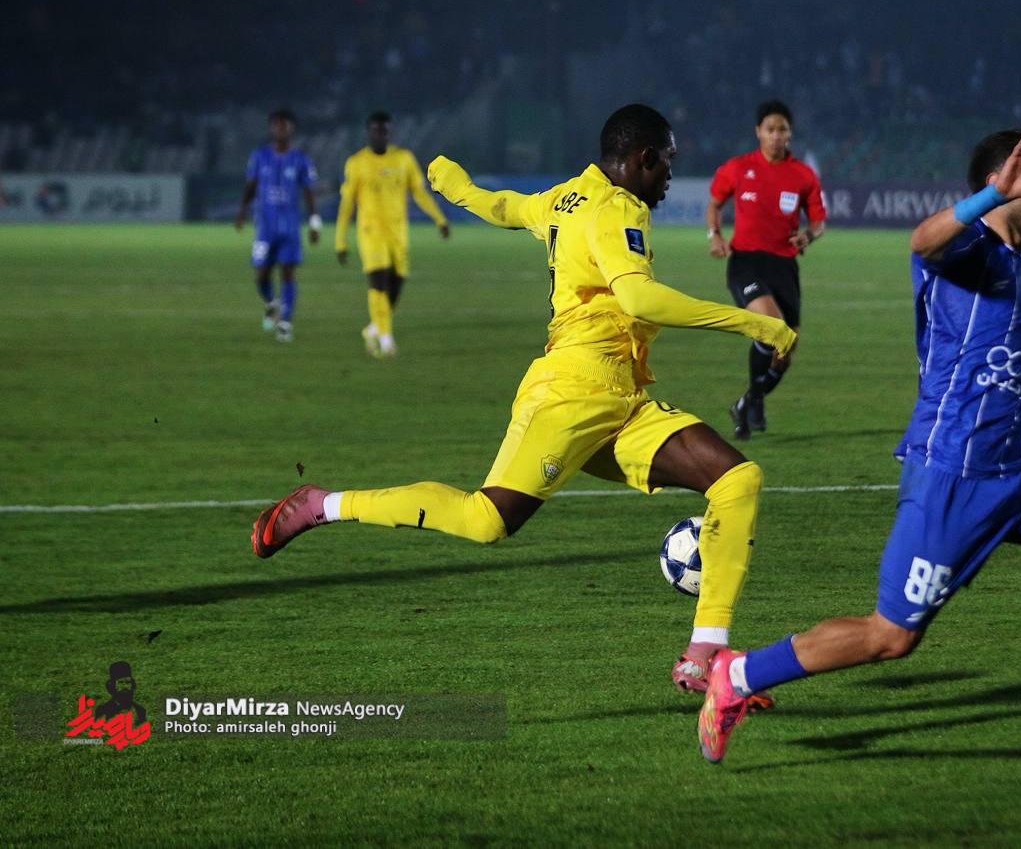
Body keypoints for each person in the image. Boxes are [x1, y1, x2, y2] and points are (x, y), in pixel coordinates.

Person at [252, 104, 795, 702]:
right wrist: (754, 323)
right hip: (570, 395)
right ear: (643, 159)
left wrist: (459, 188)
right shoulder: (616, 208)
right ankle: (323, 504)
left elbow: (509, 208)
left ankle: (705, 657)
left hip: (621, 400)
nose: (669, 174)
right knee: (486, 521)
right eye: (666, 161)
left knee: (737, 480)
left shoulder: (567, 197)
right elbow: (639, 299)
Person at [697, 131, 1021, 765]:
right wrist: (991, 197)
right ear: (1003, 183)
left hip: (1020, 465)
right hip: (954, 471)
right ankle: (738, 674)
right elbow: (921, 241)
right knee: (891, 637)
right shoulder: (964, 250)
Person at [707, 100, 825, 440]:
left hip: (784, 266)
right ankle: (755, 401)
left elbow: (818, 222)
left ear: (790, 133)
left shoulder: (803, 175)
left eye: (782, 129)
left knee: (785, 351)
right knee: (772, 327)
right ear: (758, 131)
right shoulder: (738, 168)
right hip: (745, 262)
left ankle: (746, 402)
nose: (776, 135)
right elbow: (714, 204)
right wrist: (715, 235)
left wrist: (808, 235)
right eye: (770, 129)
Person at [335, 111, 450, 358]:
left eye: (384, 130)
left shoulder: (404, 159)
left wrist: (439, 219)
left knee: (396, 285)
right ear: (369, 132)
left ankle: (373, 329)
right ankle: (386, 340)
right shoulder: (356, 163)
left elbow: (419, 193)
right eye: (376, 130)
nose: (380, 134)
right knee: (378, 282)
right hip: (371, 232)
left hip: (397, 233)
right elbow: (347, 204)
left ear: (390, 132)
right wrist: (340, 240)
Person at [234, 109, 319, 342]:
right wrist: (242, 210)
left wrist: (314, 221)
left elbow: (309, 192)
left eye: (285, 125)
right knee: (261, 275)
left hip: (290, 228)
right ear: (271, 129)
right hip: (265, 228)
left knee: (288, 273)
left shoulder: (301, 159)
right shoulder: (259, 156)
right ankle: (273, 303)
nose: (281, 129)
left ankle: (284, 322)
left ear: (292, 129)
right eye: (277, 125)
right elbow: (251, 185)